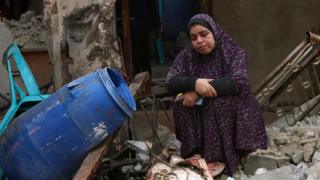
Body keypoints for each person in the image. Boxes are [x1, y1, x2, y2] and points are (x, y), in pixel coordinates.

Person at [166, 14, 268, 177]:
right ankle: (196, 153)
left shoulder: (233, 51)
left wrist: (198, 89)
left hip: (237, 105)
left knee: (218, 102)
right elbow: (171, 82)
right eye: (193, 38)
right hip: (202, 103)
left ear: (214, 31)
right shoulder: (187, 56)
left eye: (204, 34)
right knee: (181, 103)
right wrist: (194, 83)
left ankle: (222, 158)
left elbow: (238, 82)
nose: (199, 40)